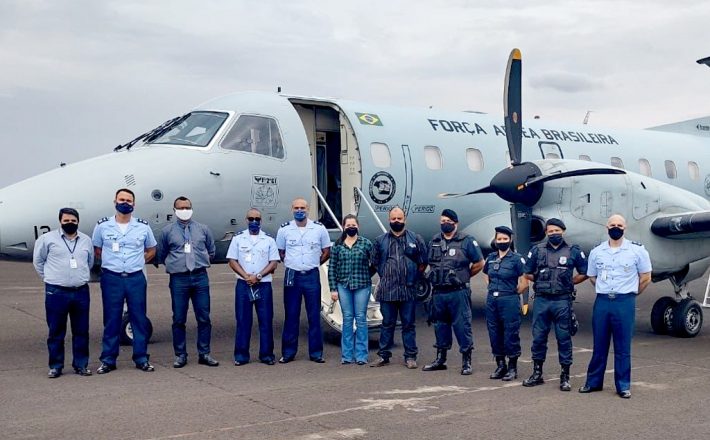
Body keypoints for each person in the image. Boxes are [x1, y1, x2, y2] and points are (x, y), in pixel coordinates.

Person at [579, 214, 652, 399]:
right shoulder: (597, 252)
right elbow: (592, 276)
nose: (616, 228)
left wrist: (631, 294)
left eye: (619, 225)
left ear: (625, 228)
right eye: (613, 225)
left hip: (624, 302)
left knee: (622, 347)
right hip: (603, 302)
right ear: (607, 227)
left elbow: (646, 277)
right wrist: (605, 290)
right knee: (599, 345)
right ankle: (593, 383)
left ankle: (623, 385)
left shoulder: (637, 251)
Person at [92, 188, 157, 374]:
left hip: (135, 277)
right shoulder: (103, 226)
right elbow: (97, 249)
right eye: (122, 199)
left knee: (138, 318)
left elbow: (152, 249)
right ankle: (108, 360)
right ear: (115, 201)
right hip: (112, 278)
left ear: (134, 204)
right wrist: (112, 262)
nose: (125, 203)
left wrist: (137, 261)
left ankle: (141, 358)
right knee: (111, 319)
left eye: (129, 200)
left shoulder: (143, 226)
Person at [523, 218, 588, 391]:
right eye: (550, 231)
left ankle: (565, 376)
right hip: (542, 300)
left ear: (563, 231)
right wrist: (540, 280)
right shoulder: (537, 250)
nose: (554, 234)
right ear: (546, 233)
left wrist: (569, 282)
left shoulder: (573, 250)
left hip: (562, 301)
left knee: (564, 338)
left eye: (557, 231)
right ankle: (537, 373)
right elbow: (527, 273)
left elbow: (585, 272)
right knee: (538, 338)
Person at [157, 196, 219, 368]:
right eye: (181, 208)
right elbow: (162, 254)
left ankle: (204, 353)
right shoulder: (167, 231)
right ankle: (180, 355)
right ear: (175, 210)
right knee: (178, 318)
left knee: (204, 317)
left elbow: (211, 250)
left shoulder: (203, 229)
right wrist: (176, 264)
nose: (185, 210)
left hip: (200, 277)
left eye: (187, 207)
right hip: (179, 278)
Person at [33, 208, 94, 378]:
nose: (70, 223)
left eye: (73, 221)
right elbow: (38, 261)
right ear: (60, 221)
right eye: (66, 220)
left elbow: (89, 262)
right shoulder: (47, 239)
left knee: (81, 331)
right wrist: (52, 278)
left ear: (78, 222)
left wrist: (78, 277)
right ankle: (56, 366)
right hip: (56, 292)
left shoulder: (86, 240)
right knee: (56, 331)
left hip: (80, 291)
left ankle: (81, 365)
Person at [423, 209, 484, 375]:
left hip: (458, 291)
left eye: (448, 221)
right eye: (442, 221)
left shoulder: (467, 241)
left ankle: (466, 361)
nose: (445, 223)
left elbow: (479, 263)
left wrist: (463, 276)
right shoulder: (434, 241)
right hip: (438, 292)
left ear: (456, 223)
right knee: (440, 326)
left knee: (462, 325)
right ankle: (440, 359)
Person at [370, 206, 427, 369]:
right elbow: (374, 262)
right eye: (393, 219)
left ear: (405, 220)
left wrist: (412, 276)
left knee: (408, 324)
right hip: (387, 290)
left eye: (399, 218)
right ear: (389, 220)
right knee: (387, 324)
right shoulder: (380, 240)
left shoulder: (415, 239)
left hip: (408, 290)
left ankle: (410, 356)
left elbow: (423, 262)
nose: (396, 221)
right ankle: (383, 356)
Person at [276, 198, 332, 363]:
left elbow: (326, 251)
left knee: (314, 315)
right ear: (292, 209)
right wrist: (293, 263)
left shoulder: (319, 229)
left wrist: (312, 263)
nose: (299, 210)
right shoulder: (284, 229)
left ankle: (316, 353)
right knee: (291, 315)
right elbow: (280, 252)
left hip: (311, 275)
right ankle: (288, 353)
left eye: (302, 208)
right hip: (292, 275)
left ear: (308, 209)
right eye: (296, 208)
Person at [227, 208, 280, 366]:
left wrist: (258, 276)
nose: (254, 222)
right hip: (243, 284)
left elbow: (274, 263)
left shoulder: (269, 240)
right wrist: (246, 276)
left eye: (257, 219)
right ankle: (241, 355)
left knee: (265, 320)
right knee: (243, 320)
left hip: (263, 284)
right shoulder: (238, 239)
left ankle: (267, 355)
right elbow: (232, 261)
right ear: (246, 220)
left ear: (261, 221)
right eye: (251, 219)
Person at [482, 226, 528, 381]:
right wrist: (492, 288)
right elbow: (487, 275)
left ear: (510, 240)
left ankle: (512, 367)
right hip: (492, 300)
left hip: (509, 299)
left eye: (505, 239)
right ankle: (500, 365)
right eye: (499, 239)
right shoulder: (491, 257)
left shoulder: (516, 259)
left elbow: (524, 280)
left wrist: (513, 293)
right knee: (494, 332)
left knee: (510, 333)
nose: (502, 242)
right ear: (495, 240)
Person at [328, 215, 375, 365]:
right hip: (343, 286)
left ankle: (361, 355)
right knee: (347, 319)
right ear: (343, 227)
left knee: (361, 318)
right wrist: (333, 289)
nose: (351, 227)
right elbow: (332, 268)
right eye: (348, 225)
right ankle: (347, 355)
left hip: (362, 285)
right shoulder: (337, 245)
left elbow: (374, 262)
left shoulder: (366, 244)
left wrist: (367, 274)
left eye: (353, 224)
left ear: (358, 227)